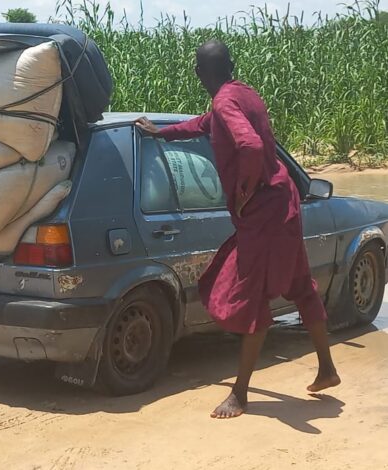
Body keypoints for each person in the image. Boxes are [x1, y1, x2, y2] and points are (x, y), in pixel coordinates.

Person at [136, 40, 341, 419]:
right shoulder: (243, 93)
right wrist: (161, 133)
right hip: (285, 202)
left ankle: (241, 394)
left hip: (263, 213)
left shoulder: (225, 102)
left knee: (249, 295)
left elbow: (247, 144)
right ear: (231, 66)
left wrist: (245, 192)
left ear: (201, 74)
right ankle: (327, 369)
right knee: (300, 285)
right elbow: (204, 124)